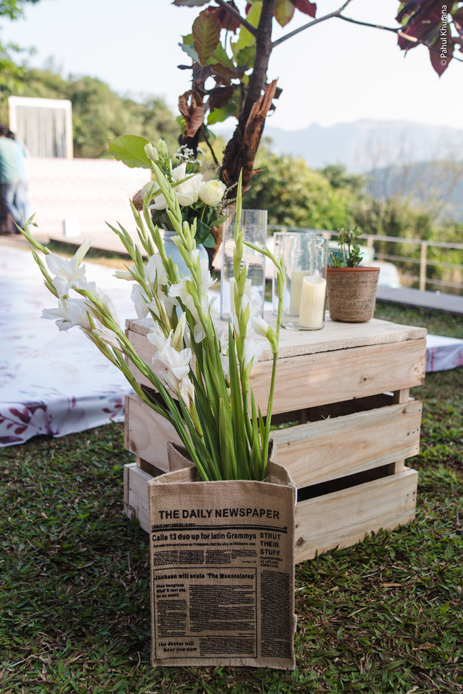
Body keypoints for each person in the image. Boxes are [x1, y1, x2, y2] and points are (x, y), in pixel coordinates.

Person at [0, 124, 29, 234]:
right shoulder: (13, 143)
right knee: (19, 202)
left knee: (7, 201)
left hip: (7, 177)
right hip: (21, 176)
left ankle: (21, 224)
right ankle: (23, 226)